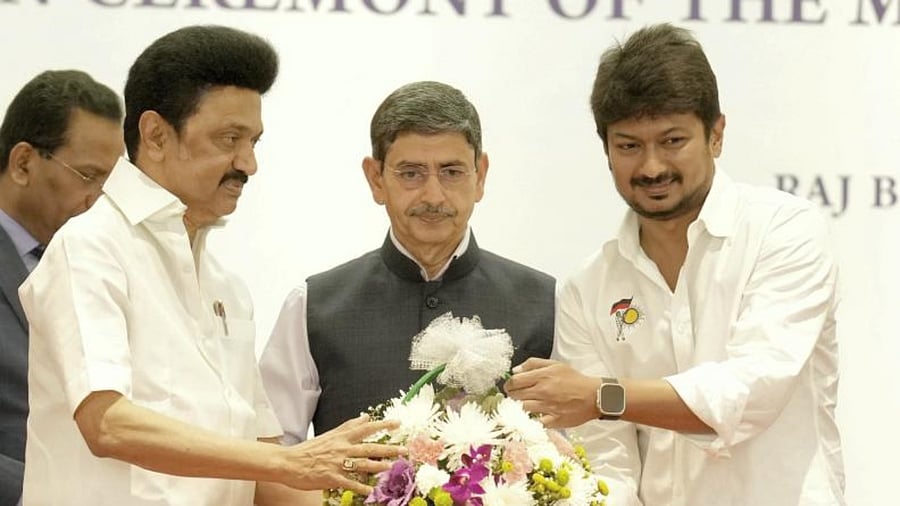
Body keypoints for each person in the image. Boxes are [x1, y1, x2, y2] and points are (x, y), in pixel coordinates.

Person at [18, 25, 400, 506]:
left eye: (254, 142)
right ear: (155, 135)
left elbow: (260, 464)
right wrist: (291, 461)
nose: (248, 164)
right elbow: (107, 423)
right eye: (229, 139)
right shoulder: (90, 247)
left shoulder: (226, 286)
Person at [504, 23, 845, 506]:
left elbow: (747, 395)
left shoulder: (784, 231)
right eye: (629, 146)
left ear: (717, 134)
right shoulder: (588, 286)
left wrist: (604, 396)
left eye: (672, 141)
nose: (651, 167)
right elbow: (607, 459)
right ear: (605, 150)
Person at [260, 79, 554, 461]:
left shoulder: (546, 304)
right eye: (411, 173)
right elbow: (271, 460)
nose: (433, 196)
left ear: (480, 176)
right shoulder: (312, 307)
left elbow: (579, 463)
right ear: (376, 178)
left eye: (451, 172)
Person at [0, 69, 123, 506]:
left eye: (111, 183)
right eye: (88, 176)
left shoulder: (100, 264)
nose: (100, 199)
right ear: (23, 163)